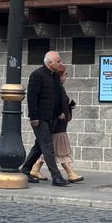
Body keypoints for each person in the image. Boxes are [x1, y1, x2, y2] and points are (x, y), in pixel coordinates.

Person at [20, 51, 69, 187]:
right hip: (40, 119)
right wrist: (34, 117)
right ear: (49, 63)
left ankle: (25, 170)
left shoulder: (54, 76)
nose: (60, 63)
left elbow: (57, 95)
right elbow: (32, 98)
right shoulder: (37, 75)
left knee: (39, 147)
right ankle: (56, 176)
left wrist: (60, 112)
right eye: (58, 61)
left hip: (52, 118)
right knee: (48, 146)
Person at [29, 66, 83, 183]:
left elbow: (60, 103)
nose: (66, 78)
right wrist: (60, 112)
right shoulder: (54, 87)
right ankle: (65, 173)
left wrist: (68, 107)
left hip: (58, 122)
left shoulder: (59, 88)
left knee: (45, 148)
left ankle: (33, 168)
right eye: (65, 75)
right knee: (56, 149)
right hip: (56, 123)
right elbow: (52, 103)